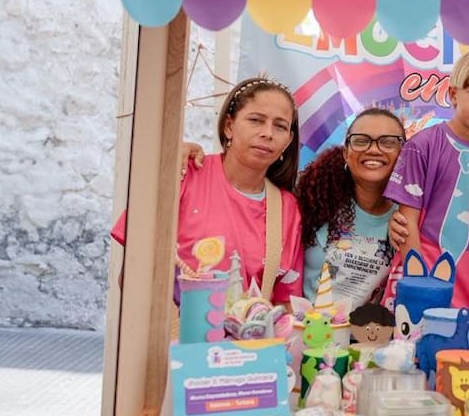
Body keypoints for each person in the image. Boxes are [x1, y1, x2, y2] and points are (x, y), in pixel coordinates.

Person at [113, 76, 304, 304]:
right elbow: (132, 275)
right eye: (256, 120)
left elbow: (286, 302)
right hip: (172, 336)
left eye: (280, 126)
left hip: (248, 339)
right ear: (229, 126)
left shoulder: (288, 209)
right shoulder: (182, 174)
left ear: (288, 140)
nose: (268, 133)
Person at [383, 49, 469, 308]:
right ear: (454, 94)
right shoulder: (423, 145)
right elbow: (406, 223)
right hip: (420, 269)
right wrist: (417, 286)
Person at [297, 108, 405, 308]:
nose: (373, 149)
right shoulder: (314, 204)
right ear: (346, 152)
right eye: (361, 140)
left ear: (402, 153)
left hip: (373, 337)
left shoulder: (409, 218)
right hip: (311, 333)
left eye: (388, 142)